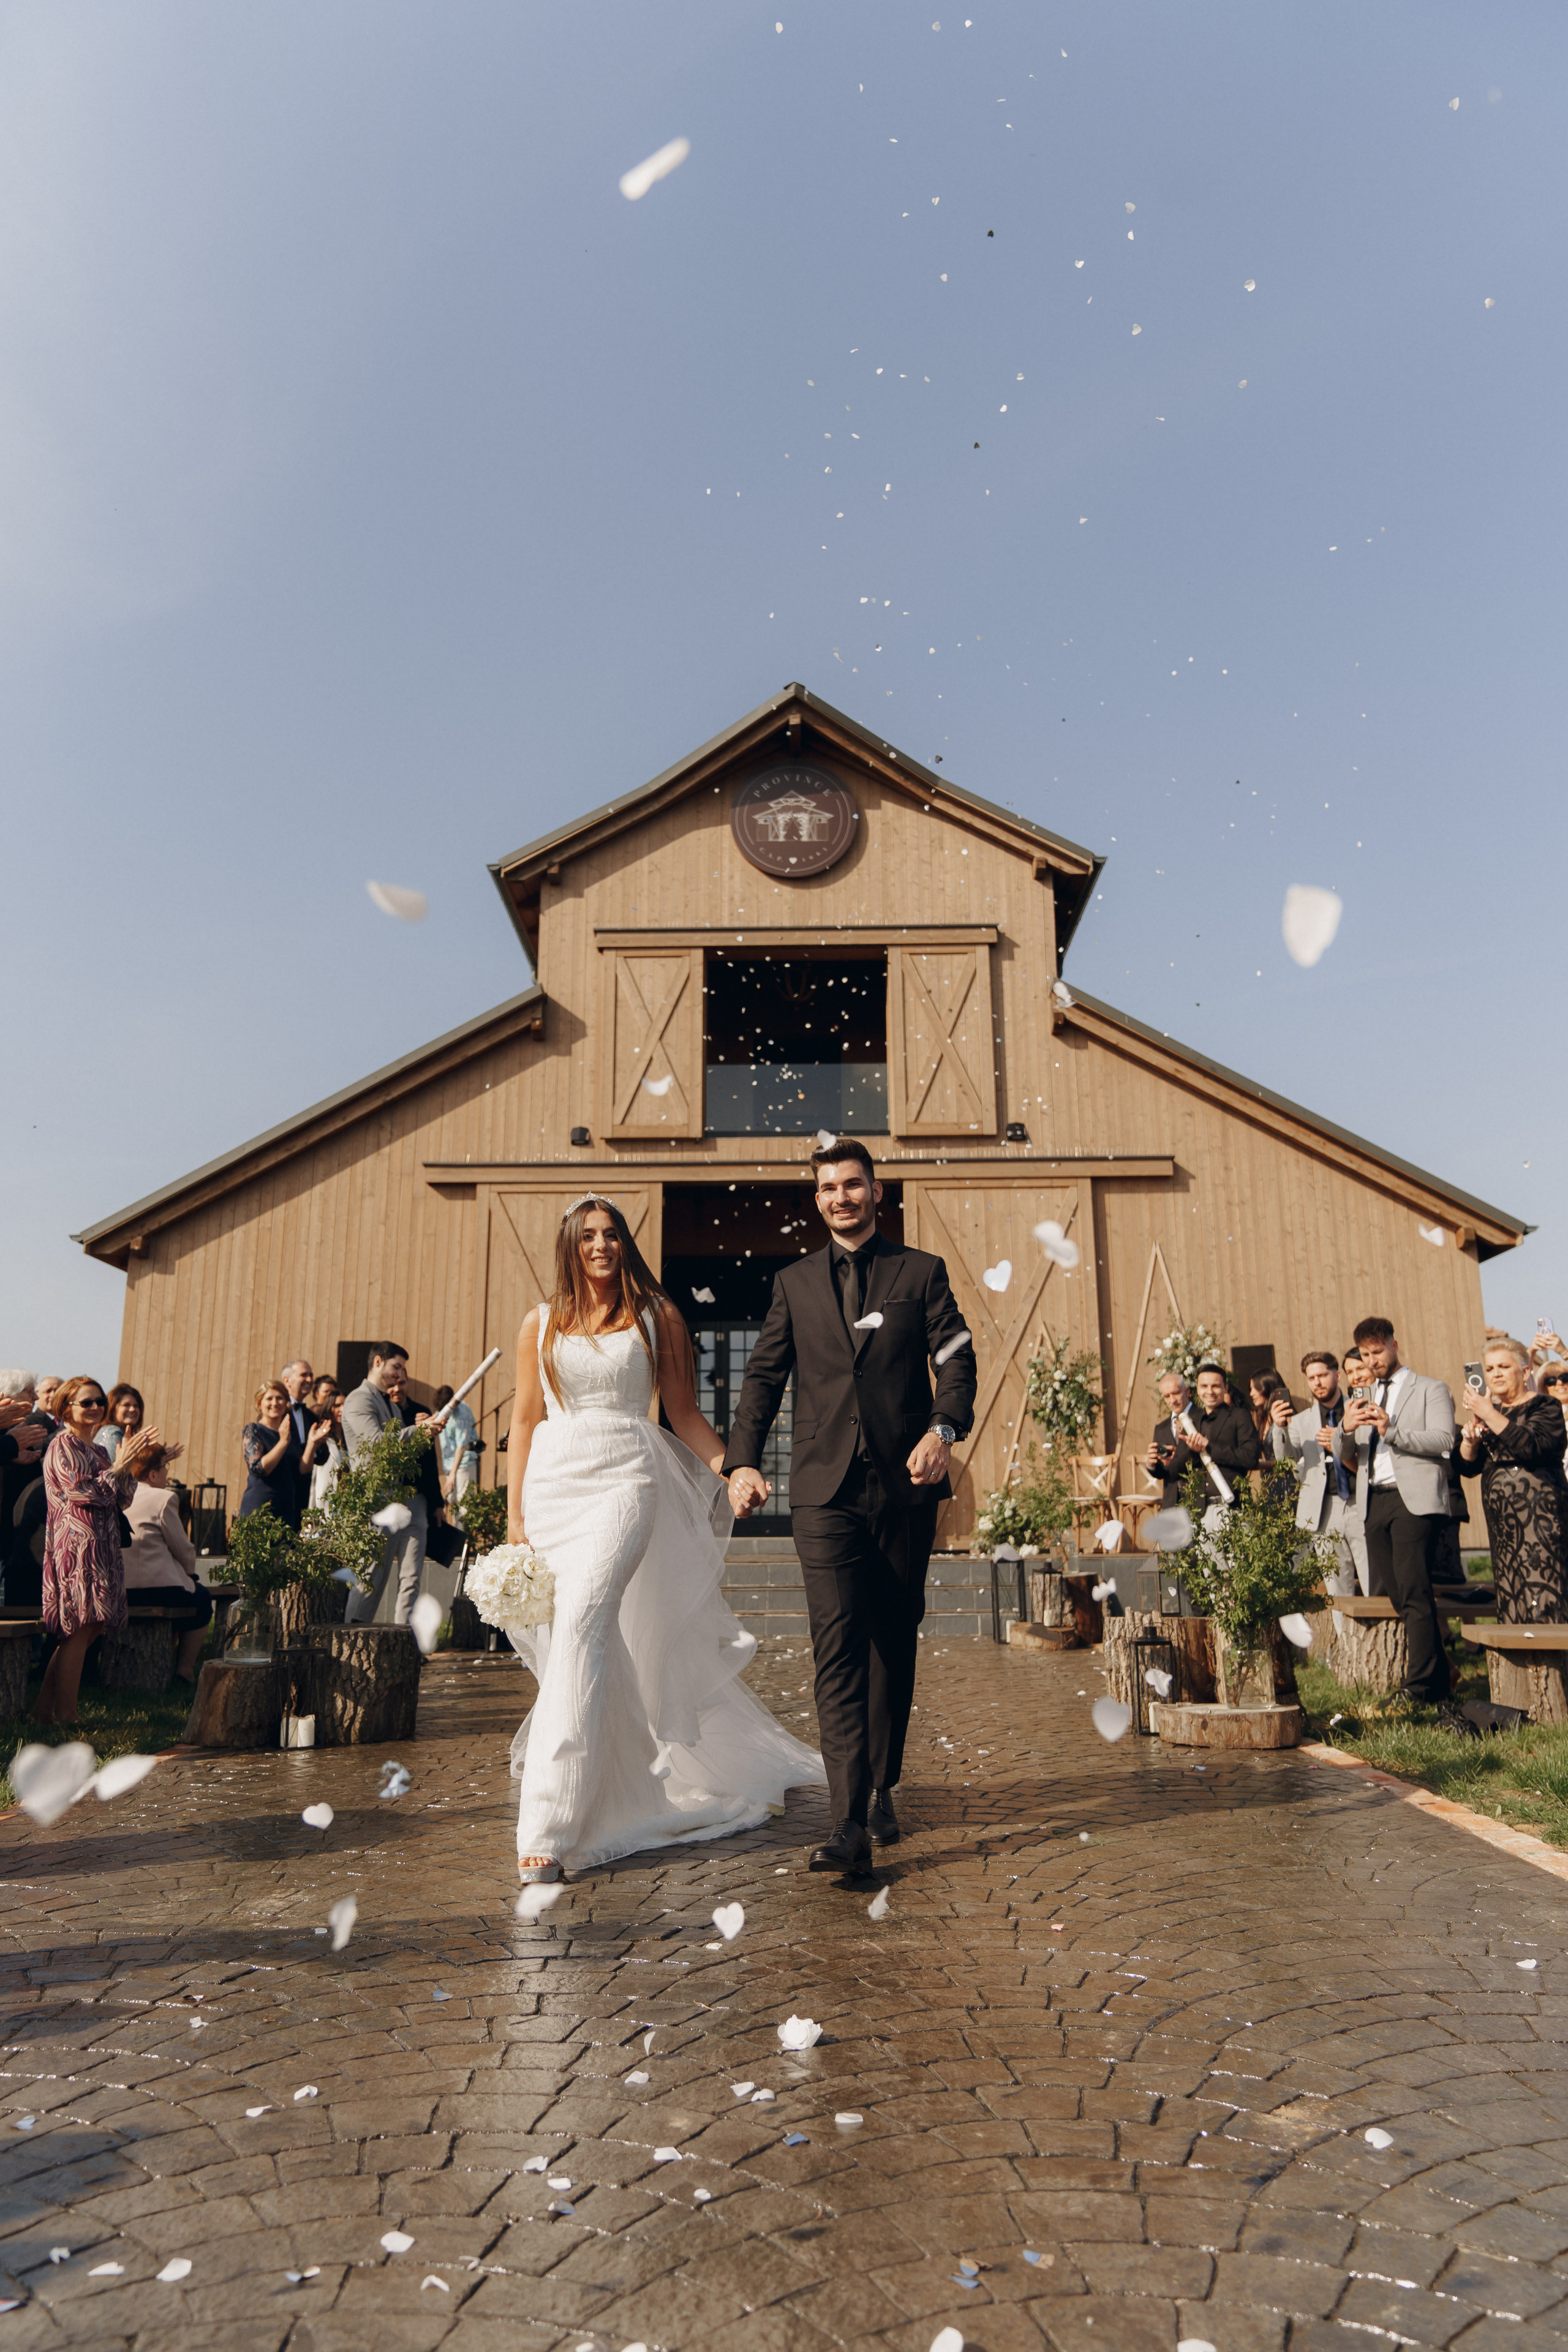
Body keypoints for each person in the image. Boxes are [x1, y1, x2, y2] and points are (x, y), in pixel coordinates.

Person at [505, 1197, 823, 1883]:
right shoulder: (539, 1323)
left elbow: (682, 1413)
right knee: (582, 1638)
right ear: (568, 1244)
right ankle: (622, 1793)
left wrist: (733, 1467)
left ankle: (549, 1825)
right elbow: (525, 1423)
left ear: (626, 1242)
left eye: (611, 1234)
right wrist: (514, 1520)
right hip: (554, 1487)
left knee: (587, 1616)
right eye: (587, 1236)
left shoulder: (658, 1316)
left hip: (626, 1482)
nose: (600, 1245)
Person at [725, 1138, 977, 1878]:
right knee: (836, 1646)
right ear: (817, 1200)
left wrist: (943, 1428)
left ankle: (881, 1783)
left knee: (893, 1643)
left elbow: (956, 1358)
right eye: (829, 1188)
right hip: (822, 1490)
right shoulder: (793, 1283)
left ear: (876, 1191)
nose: (842, 1197)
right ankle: (846, 1822)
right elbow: (764, 1377)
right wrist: (742, 1460)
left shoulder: (920, 1273)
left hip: (905, 1484)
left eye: (853, 1185)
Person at [1336, 1314, 1464, 1724]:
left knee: (1414, 1592)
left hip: (1415, 1500)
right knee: (1395, 1593)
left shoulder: (1430, 1388)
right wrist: (1344, 1426)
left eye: (1378, 1352)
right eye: (1365, 1355)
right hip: (1374, 1500)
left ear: (1394, 1344)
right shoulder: (1362, 1393)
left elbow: (1445, 1441)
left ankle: (1419, 1687)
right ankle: (1443, 1678)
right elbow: (1346, 1453)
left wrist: (1392, 1431)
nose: (1372, 1361)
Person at [37, 1378, 163, 1724]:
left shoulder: (101, 1451)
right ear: (66, 1409)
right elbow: (82, 1493)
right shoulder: (62, 1445)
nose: (95, 1408)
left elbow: (120, 1499)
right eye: (86, 1403)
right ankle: (66, 1714)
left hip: (103, 1544)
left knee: (89, 1631)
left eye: (98, 1402)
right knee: (79, 1628)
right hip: (76, 1548)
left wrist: (127, 1466)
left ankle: (42, 1713)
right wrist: (119, 1469)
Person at [1457, 1337, 1567, 1624]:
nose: (1495, 1374)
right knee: (1513, 1593)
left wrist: (1489, 1414)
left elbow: (1531, 1447)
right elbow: (1468, 1468)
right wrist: (1470, 1442)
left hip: (1541, 1525)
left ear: (1526, 1372)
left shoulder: (1546, 1407)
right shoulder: (1492, 1415)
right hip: (1505, 1530)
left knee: (1546, 1595)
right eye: (1490, 1368)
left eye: (1504, 1366)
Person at [341, 1344, 439, 1626]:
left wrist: (426, 1433)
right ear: (378, 1362)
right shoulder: (359, 1399)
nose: (400, 1374)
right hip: (374, 1500)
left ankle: (393, 1641)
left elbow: (401, 1454)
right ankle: (353, 1640)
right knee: (370, 1577)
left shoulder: (390, 1404)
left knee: (398, 1576)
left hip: (396, 1499)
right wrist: (418, 1430)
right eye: (396, 1366)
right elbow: (376, 1445)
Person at [1268, 1351, 1369, 1595]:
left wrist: (1339, 1441)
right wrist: (1279, 1427)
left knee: (1373, 1583)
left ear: (1337, 1375)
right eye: (1311, 1378)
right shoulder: (1301, 1421)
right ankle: (1345, 1635)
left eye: (1323, 1375)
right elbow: (1286, 1461)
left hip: (1360, 1503)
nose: (1318, 1382)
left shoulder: (1358, 1409)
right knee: (1337, 1591)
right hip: (1324, 1510)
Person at [123, 1443, 211, 1686]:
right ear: (152, 1474)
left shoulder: (118, 1495)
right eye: (165, 1468)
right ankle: (184, 1671)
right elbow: (182, 1547)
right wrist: (191, 1574)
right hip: (156, 1589)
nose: (167, 1474)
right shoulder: (163, 1498)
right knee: (202, 1601)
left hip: (120, 1589)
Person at [238, 1380, 312, 1531]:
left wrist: (312, 1442)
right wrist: (283, 1442)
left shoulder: (289, 1433)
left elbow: (301, 1471)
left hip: (287, 1510)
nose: (275, 1403)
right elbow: (258, 1468)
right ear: (260, 1405)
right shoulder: (254, 1431)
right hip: (260, 1509)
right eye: (269, 1399)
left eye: (280, 1398)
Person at [1145, 1371, 1194, 1506]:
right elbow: (1162, 1473)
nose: (1172, 1400)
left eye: (1176, 1393)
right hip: (1172, 1501)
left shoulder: (1203, 1418)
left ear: (1187, 1391)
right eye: (1167, 1396)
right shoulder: (1161, 1429)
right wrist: (1152, 1463)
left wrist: (1179, 1458)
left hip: (1199, 1498)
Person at [434, 1384, 480, 1508]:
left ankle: (461, 1529)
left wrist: (453, 1474)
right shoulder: (440, 1412)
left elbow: (461, 1445)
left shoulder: (462, 1413)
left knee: (463, 1503)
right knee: (453, 1502)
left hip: (463, 1463)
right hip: (450, 1464)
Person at [304, 1377, 346, 1512]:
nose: (343, 1409)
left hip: (345, 1500)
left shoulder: (349, 1437)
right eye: (337, 1406)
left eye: (345, 1405)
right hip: (324, 1499)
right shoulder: (323, 1436)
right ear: (329, 1408)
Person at [96, 1384, 144, 1464]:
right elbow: (109, 1472)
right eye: (126, 1405)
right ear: (112, 1408)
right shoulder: (112, 1433)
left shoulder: (122, 1435)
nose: (132, 1409)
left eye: (136, 1406)